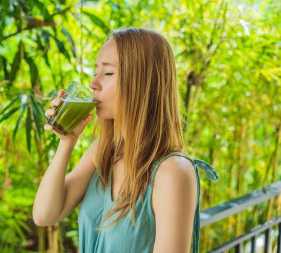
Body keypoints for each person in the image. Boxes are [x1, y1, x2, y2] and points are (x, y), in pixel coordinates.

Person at [33, 27, 219, 253]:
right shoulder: (103, 150)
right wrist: (66, 142)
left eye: (108, 74)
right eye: (95, 72)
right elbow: (45, 215)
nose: (93, 84)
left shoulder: (172, 172)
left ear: (144, 83)